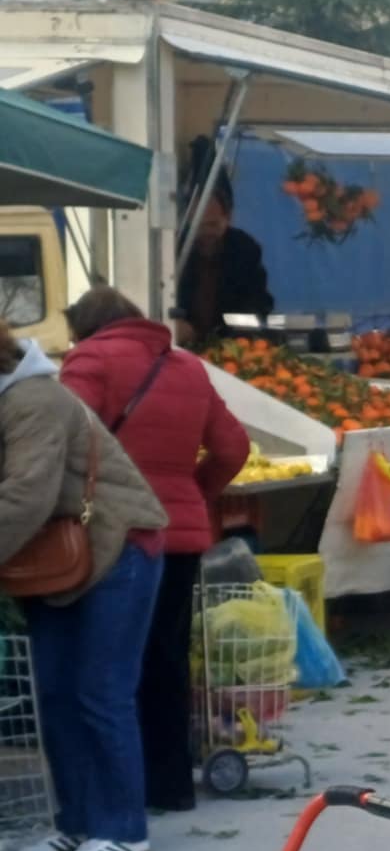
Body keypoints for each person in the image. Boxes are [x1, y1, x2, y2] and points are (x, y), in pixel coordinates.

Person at [58, 288, 249, 814]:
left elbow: (66, 441)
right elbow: (234, 447)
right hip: (179, 531)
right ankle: (172, 785)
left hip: (112, 531)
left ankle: (122, 790)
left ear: (86, 328)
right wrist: (194, 492)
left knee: (109, 665)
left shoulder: (89, 361)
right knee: (166, 657)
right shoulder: (186, 368)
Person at [0, 323, 169, 851]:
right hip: (59, 562)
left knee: (101, 690)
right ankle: (75, 821)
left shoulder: (33, 400)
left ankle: (125, 828)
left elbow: (27, 495)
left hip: (117, 547)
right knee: (54, 693)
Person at [173, 180, 273, 348]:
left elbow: (257, 302)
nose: (206, 232)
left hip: (230, 348)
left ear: (228, 218)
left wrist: (239, 332)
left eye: (213, 224)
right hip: (181, 348)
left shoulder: (244, 250)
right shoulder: (175, 248)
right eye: (199, 226)